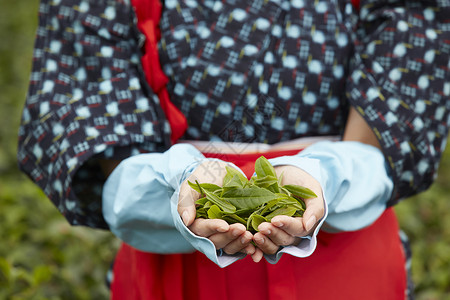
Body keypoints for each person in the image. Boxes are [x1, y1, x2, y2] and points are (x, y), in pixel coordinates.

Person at [18, 0, 449, 299]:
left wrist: (319, 179)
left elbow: (385, 139)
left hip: (345, 276)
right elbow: (99, 158)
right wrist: (181, 184)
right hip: (175, 277)